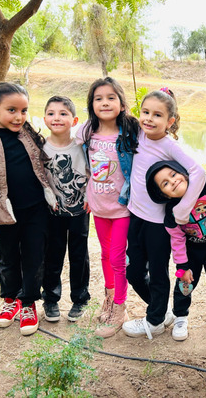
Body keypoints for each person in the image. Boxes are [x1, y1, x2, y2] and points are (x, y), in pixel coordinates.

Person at [122, 88, 206, 339]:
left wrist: (182, 209)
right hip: (135, 217)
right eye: (145, 112)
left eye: (157, 115)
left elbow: (198, 172)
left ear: (170, 122)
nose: (149, 118)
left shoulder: (169, 145)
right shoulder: (139, 133)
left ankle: (155, 320)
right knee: (133, 272)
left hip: (158, 225)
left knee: (158, 273)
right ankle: (161, 310)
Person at [145, 158, 206, 355]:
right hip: (192, 251)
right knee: (184, 285)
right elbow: (177, 239)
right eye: (165, 183)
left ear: (183, 171)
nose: (173, 181)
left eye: (173, 174)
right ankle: (180, 317)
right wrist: (182, 267)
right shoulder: (172, 211)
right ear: (163, 194)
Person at [76, 77, 140, 338]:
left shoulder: (131, 131)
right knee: (104, 255)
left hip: (122, 207)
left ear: (122, 104)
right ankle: (110, 298)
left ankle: (120, 308)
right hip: (99, 206)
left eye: (111, 98)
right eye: (98, 98)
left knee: (117, 258)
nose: (104, 102)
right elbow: (70, 148)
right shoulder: (86, 131)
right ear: (91, 104)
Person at [0, 82, 57, 336]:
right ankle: (11, 300)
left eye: (23, 110)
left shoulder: (28, 136)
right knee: (7, 259)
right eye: (11, 110)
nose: (19, 117)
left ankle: (28, 303)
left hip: (35, 210)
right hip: (2, 214)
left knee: (34, 257)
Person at [42, 96, 90, 323]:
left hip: (80, 210)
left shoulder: (82, 146)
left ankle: (80, 299)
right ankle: (50, 299)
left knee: (79, 254)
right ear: (44, 119)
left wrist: (90, 196)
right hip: (52, 212)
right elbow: (39, 177)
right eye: (51, 113)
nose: (57, 118)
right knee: (52, 253)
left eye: (63, 114)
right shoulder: (41, 147)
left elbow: (93, 173)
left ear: (75, 120)